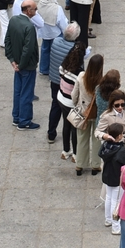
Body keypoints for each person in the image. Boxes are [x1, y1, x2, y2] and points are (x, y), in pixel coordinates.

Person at [5, 0, 42, 130]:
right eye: (35, 9)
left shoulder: (13, 20)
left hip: (17, 63)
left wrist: (12, 60)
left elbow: (7, 40)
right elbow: (28, 49)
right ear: (28, 11)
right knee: (27, 93)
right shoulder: (29, 27)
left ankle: (16, 117)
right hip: (27, 65)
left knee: (18, 91)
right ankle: (24, 121)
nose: (36, 11)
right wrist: (21, 65)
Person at [54, 30, 86, 158]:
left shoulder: (63, 66)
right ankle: (75, 154)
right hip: (71, 103)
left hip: (61, 98)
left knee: (65, 124)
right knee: (74, 128)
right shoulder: (79, 74)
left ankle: (65, 150)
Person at [71, 54, 105, 175]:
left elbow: (74, 95)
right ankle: (95, 165)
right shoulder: (102, 82)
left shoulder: (81, 76)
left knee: (81, 139)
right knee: (96, 140)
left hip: (82, 113)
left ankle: (80, 165)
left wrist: (77, 105)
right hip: (96, 115)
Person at [100, 123, 125, 235]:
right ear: (119, 136)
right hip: (117, 179)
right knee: (116, 201)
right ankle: (115, 227)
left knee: (108, 198)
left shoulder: (105, 145)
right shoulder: (121, 151)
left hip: (107, 175)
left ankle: (108, 219)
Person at [36, 0, 68, 76]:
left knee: (45, 49)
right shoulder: (57, 8)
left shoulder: (40, 4)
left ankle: (43, 68)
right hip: (55, 32)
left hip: (44, 31)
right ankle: (55, 69)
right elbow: (62, 22)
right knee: (56, 51)